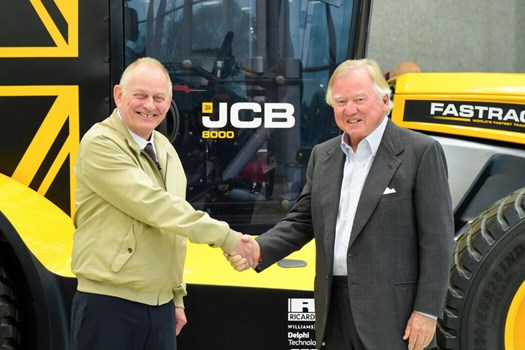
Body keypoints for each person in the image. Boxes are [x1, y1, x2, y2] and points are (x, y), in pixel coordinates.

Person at [227, 58, 453, 350]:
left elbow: (438, 240)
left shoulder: (421, 153)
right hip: (333, 311)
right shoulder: (323, 156)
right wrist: (258, 249)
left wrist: (426, 311)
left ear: (385, 101)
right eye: (341, 101)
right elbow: (302, 220)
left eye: (359, 99)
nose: (350, 110)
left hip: (394, 318)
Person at [70, 57, 258, 350]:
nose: (150, 105)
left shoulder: (165, 148)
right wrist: (227, 237)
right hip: (109, 305)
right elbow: (156, 206)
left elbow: (171, 231)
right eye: (140, 95)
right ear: (119, 95)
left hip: (159, 308)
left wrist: (176, 297)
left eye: (159, 98)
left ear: (169, 102)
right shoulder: (100, 143)